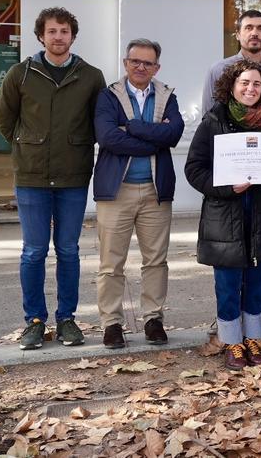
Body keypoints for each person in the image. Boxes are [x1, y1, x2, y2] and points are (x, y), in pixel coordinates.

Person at [0, 7, 106, 350]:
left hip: (73, 175)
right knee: (33, 251)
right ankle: (35, 321)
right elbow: (5, 121)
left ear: (72, 36)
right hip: (31, 176)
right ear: (41, 36)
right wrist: (27, 146)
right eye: (52, 31)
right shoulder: (20, 74)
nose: (58, 37)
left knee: (69, 251)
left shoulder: (91, 76)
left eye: (64, 31)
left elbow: (98, 122)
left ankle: (67, 319)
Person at [202, 9, 261, 333]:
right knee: (230, 263)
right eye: (248, 28)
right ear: (239, 33)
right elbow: (210, 128)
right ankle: (229, 327)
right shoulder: (217, 71)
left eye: (260, 28)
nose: (254, 33)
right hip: (230, 193)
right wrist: (225, 182)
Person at [92, 39, 185, 348]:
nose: (141, 67)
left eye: (148, 63)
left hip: (155, 191)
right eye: (135, 61)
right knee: (111, 262)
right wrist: (153, 139)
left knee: (156, 261)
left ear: (156, 67)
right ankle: (112, 324)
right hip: (116, 191)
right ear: (125, 63)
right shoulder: (108, 96)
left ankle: (153, 319)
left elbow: (174, 133)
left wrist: (130, 127)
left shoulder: (166, 95)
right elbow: (107, 137)